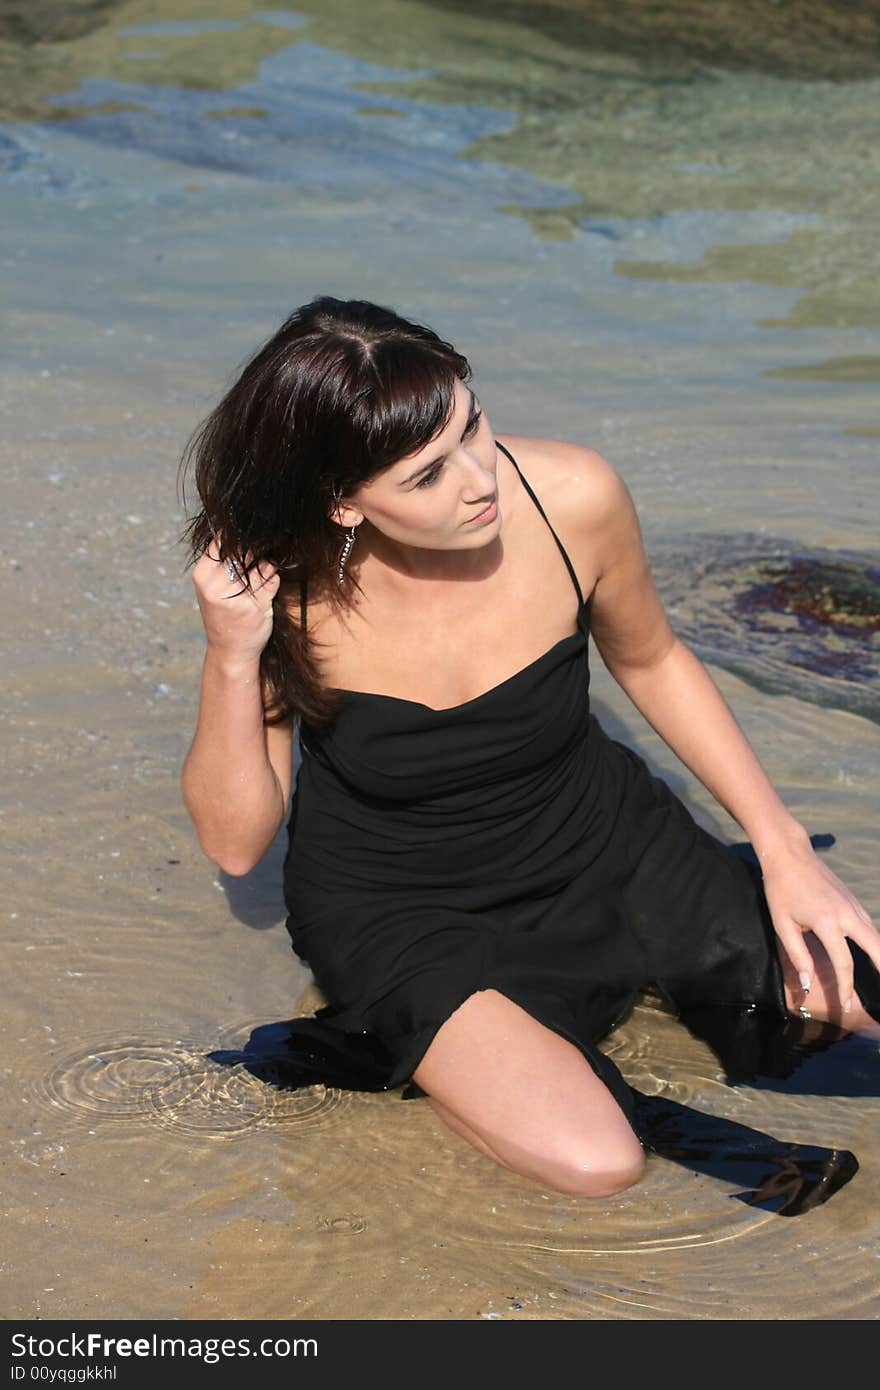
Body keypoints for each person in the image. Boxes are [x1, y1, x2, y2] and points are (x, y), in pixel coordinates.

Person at [179, 296, 880, 1200]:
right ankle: (516, 1075)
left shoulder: (571, 498)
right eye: (426, 476)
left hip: (603, 839)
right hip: (405, 905)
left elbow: (654, 658)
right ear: (343, 504)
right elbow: (237, 843)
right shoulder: (287, 591)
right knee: (598, 1163)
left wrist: (783, 852)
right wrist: (231, 655)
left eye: (475, 425)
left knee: (857, 1000)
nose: (479, 479)